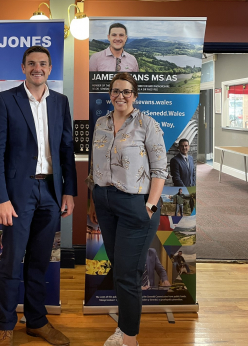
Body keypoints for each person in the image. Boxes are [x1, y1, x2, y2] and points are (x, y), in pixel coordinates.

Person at [0, 46, 77, 346]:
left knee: (39, 261)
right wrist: (0, 198)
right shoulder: (5, 100)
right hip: (17, 194)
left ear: (50, 69)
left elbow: (66, 151)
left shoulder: (61, 103)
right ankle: (6, 326)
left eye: (43, 64)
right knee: (12, 261)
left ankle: (36, 321)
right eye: (32, 63)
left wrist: (69, 192)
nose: (38, 68)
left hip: (50, 193)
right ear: (23, 67)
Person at [87, 72, 167, 346]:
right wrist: (93, 201)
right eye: (115, 91)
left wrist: (150, 207)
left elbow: (159, 170)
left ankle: (129, 338)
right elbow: (95, 166)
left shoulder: (148, 124)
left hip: (136, 205)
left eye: (126, 91)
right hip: (104, 203)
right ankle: (125, 327)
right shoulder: (100, 123)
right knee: (119, 268)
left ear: (135, 96)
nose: (120, 96)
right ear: (109, 94)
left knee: (127, 273)